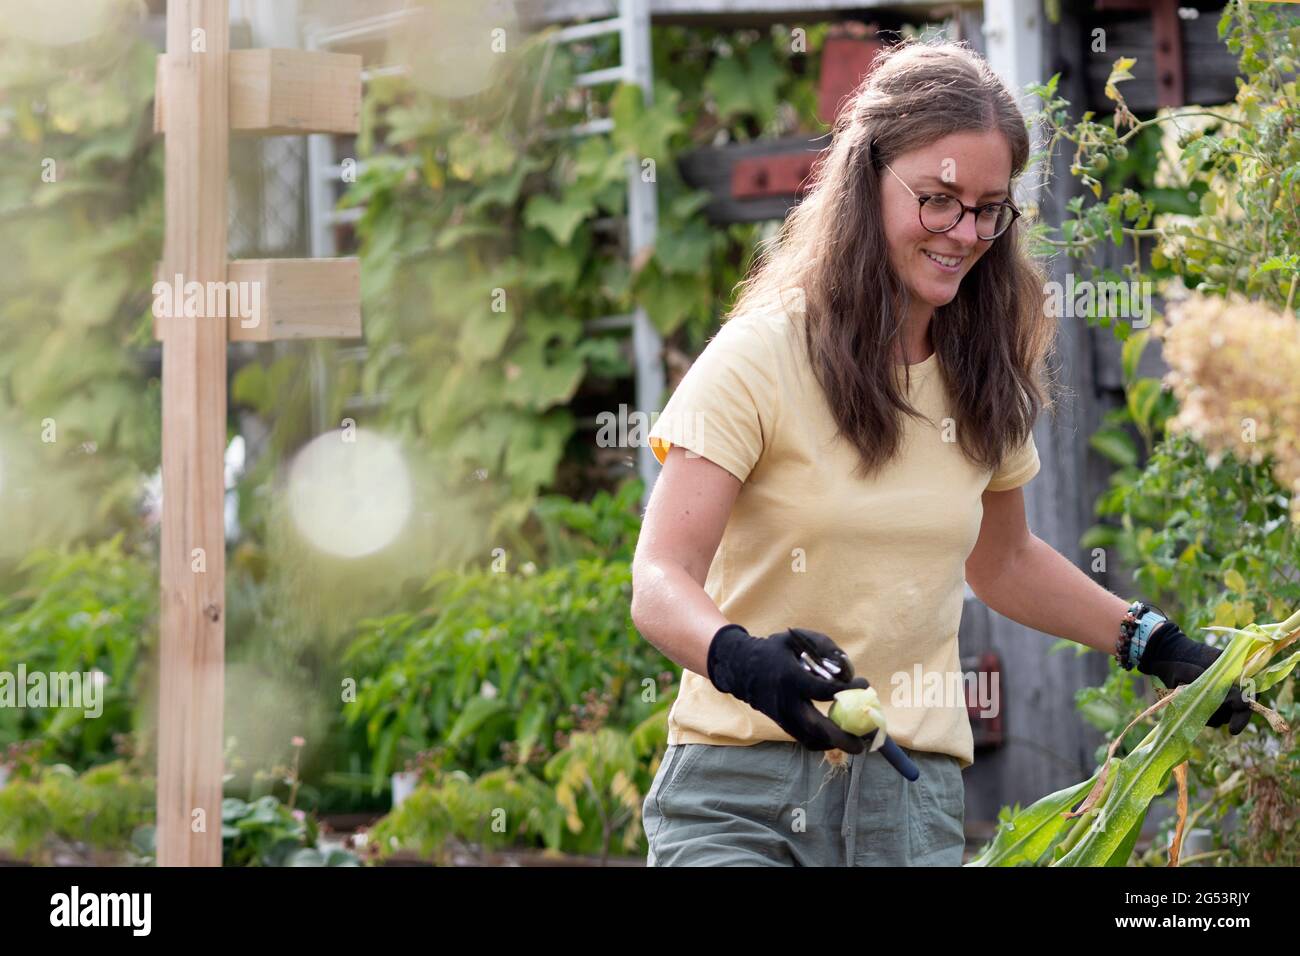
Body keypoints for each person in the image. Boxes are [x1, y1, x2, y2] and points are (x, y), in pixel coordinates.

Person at [630, 38, 1252, 868]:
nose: (965, 232)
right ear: (866, 179)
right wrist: (745, 663)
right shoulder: (760, 357)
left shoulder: (980, 375)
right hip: (740, 795)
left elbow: (1005, 562)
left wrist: (1157, 645)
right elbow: (658, 579)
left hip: (907, 803)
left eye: (990, 208)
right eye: (938, 201)